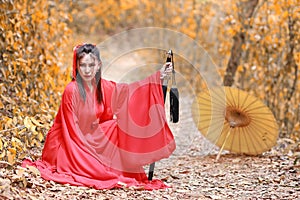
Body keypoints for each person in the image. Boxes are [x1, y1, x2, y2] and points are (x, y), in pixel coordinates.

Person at [22, 43, 176, 190]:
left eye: (91, 65)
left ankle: (115, 165)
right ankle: (100, 165)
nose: (87, 70)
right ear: (76, 66)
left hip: (91, 137)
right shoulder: (71, 90)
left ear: (98, 66)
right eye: (83, 65)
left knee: (118, 127)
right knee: (98, 171)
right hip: (69, 141)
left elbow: (128, 93)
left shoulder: (102, 86)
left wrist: (158, 77)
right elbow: (71, 131)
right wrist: (89, 158)